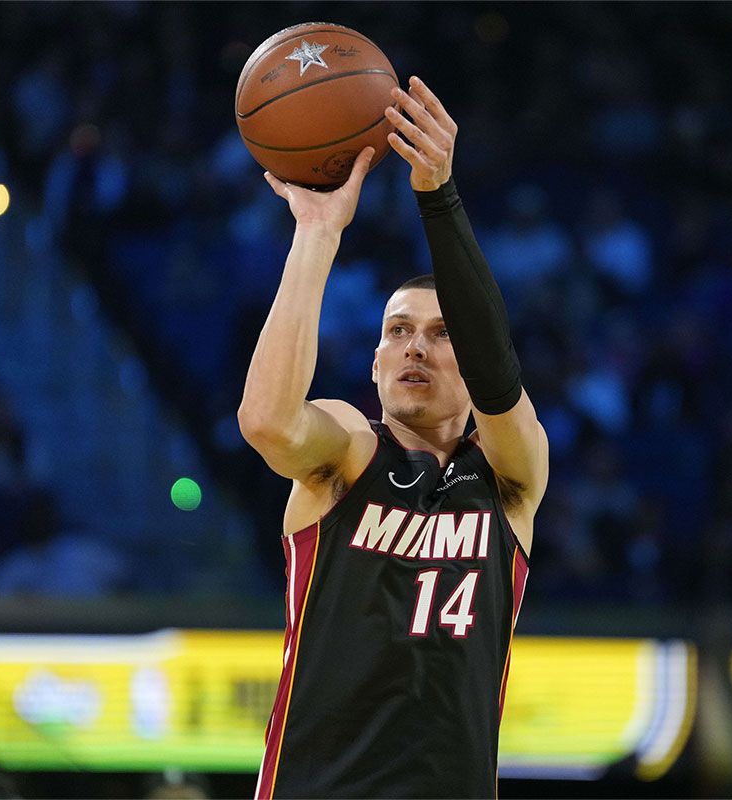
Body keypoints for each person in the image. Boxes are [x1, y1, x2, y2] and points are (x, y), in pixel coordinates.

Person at [239, 76, 549, 799]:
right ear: (375, 364)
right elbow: (265, 421)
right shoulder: (350, 449)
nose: (415, 347)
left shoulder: (510, 481)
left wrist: (438, 194)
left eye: (443, 336)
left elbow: (500, 375)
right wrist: (318, 233)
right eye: (398, 332)